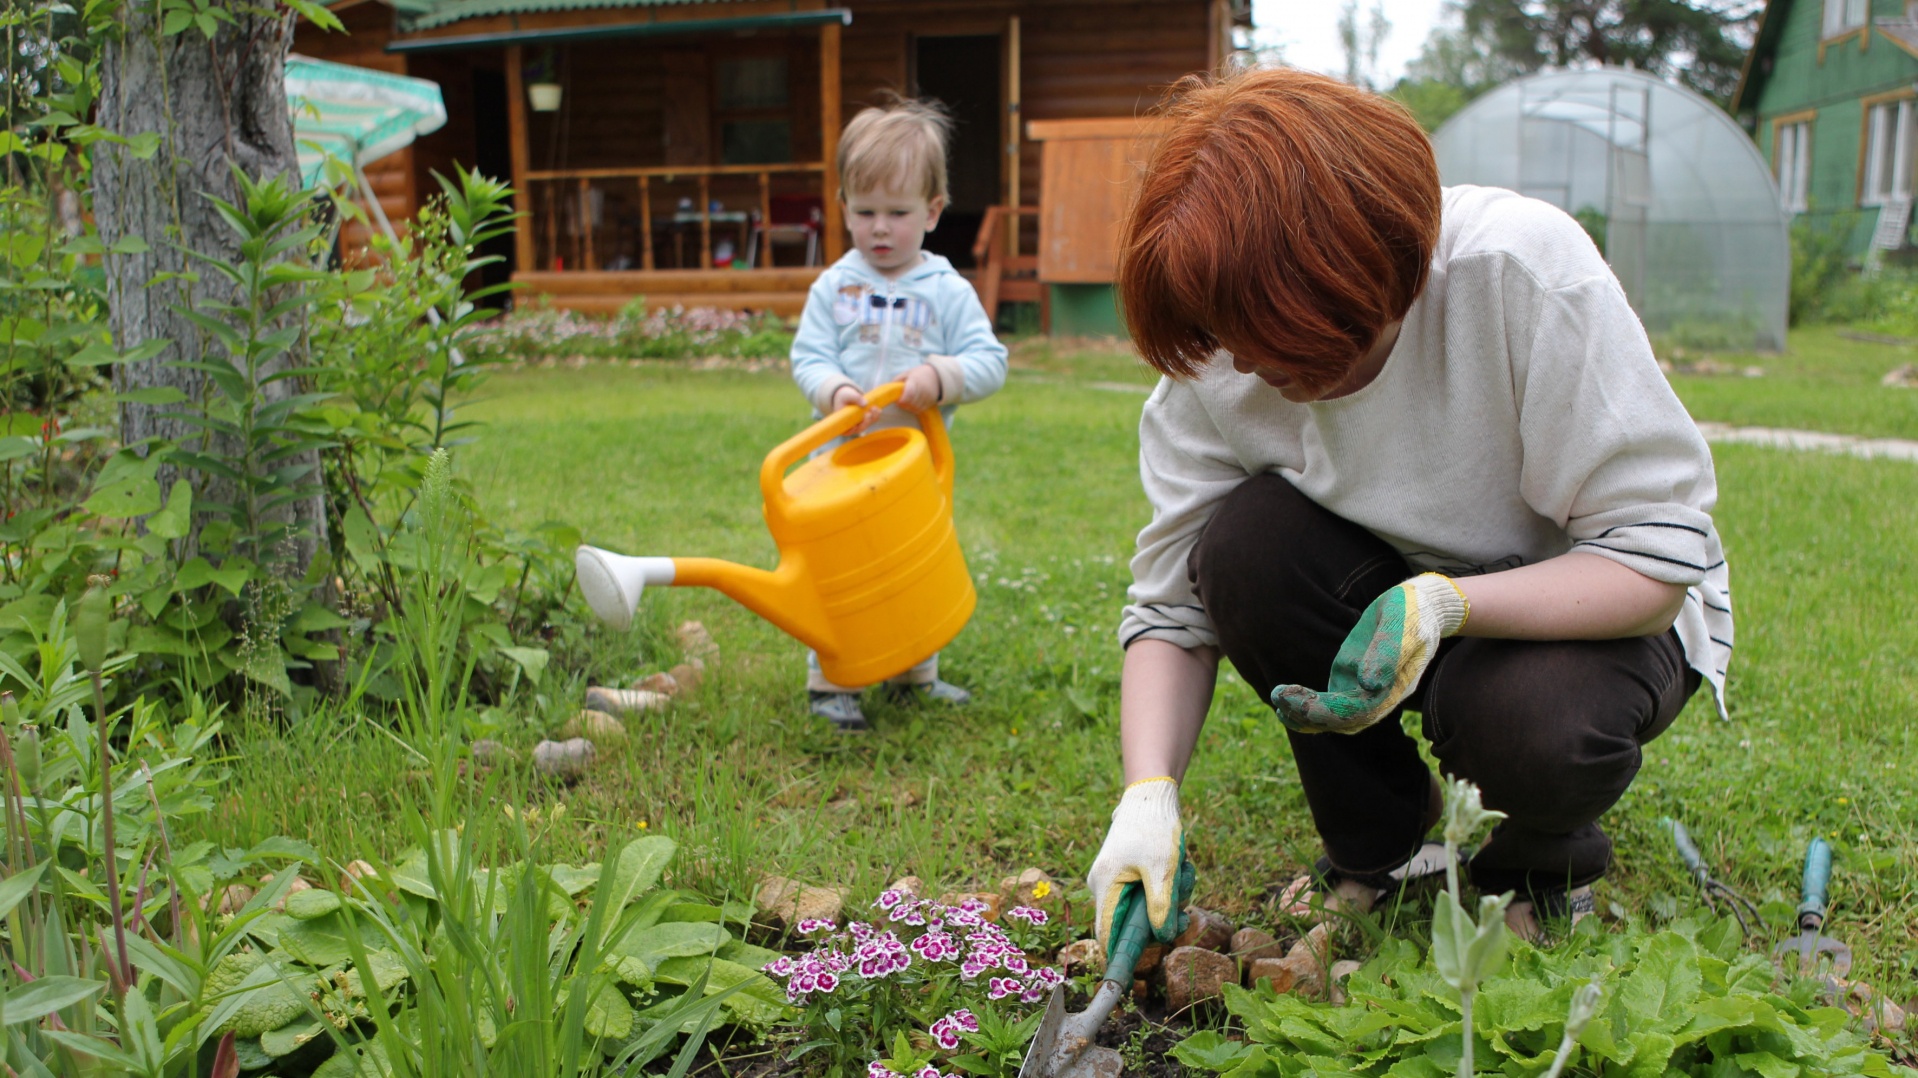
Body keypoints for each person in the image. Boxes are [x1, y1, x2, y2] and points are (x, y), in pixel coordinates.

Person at [1084, 68, 1732, 949]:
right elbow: (1172, 608)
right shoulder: (1221, 348)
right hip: (1385, 580)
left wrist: (1450, 603)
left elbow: (1654, 560)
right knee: (1242, 549)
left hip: (1591, 610)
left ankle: (1537, 866)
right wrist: (1147, 791)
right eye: (1235, 342)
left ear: (1377, 272)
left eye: (1288, 344)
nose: (1254, 370)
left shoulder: (1516, 272)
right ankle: (1379, 846)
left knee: (1527, 717)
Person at [787, 98, 1009, 731]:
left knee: (912, 563)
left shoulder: (946, 291)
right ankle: (833, 681)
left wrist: (941, 376)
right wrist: (832, 392)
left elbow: (990, 361)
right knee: (841, 572)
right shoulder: (833, 287)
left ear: (934, 211)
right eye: (864, 212)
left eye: (898, 212)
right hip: (839, 464)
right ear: (843, 208)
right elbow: (809, 356)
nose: (879, 228)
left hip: (913, 466)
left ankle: (917, 672)